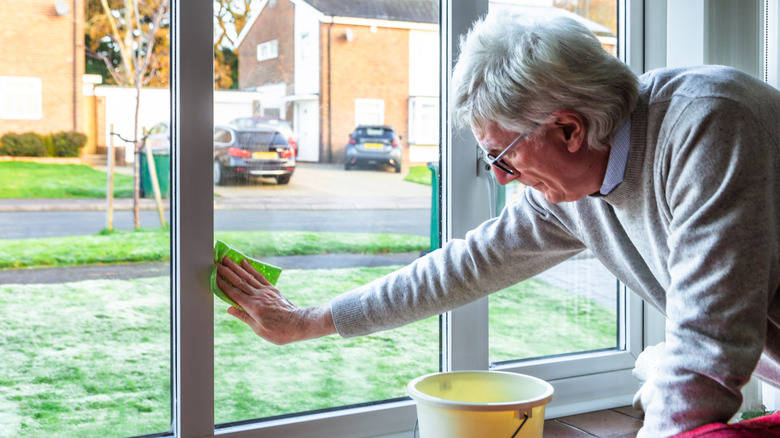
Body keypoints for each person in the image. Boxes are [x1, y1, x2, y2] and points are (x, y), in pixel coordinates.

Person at [215, 11, 780, 438]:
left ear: (568, 129)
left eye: (501, 155)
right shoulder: (570, 189)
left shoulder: (709, 123)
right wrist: (306, 321)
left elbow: (708, 346)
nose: (502, 178)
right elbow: (465, 266)